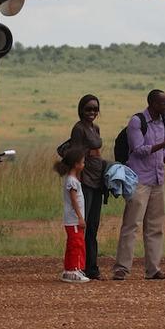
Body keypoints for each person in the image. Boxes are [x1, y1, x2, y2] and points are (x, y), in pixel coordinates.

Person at [112, 89, 165, 281]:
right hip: (139, 180)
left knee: (155, 227)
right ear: (152, 104)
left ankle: (153, 269)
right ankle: (122, 268)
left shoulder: (163, 120)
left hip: (157, 180)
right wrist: (164, 143)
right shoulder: (137, 122)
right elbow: (139, 150)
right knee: (131, 225)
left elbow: (163, 152)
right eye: (163, 103)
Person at [67, 94, 106, 279]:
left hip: (97, 180)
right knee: (83, 225)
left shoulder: (94, 127)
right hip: (85, 181)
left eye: (95, 109)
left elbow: (96, 151)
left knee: (93, 226)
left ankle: (92, 266)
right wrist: (77, 181)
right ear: (81, 110)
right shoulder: (78, 129)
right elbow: (76, 156)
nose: (92, 112)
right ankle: (79, 266)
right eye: (88, 109)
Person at [54, 147, 90, 283]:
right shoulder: (72, 181)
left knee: (73, 244)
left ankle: (70, 269)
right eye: (82, 162)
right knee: (76, 244)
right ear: (76, 164)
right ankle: (74, 269)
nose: (84, 164)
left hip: (74, 220)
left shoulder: (73, 180)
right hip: (74, 220)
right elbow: (74, 200)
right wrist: (80, 217)